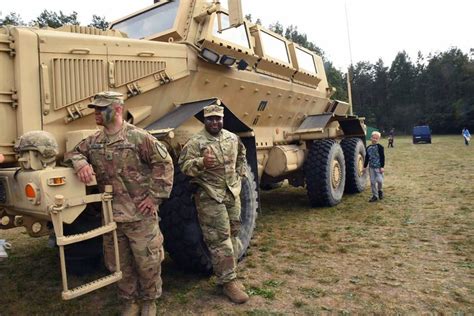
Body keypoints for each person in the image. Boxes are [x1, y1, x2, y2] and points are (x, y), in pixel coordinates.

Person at [64, 91, 174, 316]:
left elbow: (164, 163)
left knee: (148, 261)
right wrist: (80, 163)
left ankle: (149, 300)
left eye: (100, 109)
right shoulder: (95, 141)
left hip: (140, 215)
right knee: (118, 263)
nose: (95, 113)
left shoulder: (138, 137)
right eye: (94, 109)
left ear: (116, 110)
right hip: (112, 216)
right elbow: (72, 153)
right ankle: (129, 301)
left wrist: (154, 197)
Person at [178, 102, 249, 304]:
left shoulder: (232, 138)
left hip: (231, 193)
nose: (215, 122)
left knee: (233, 233)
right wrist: (201, 163)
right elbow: (184, 166)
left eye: (218, 118)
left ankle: (229, 274)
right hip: (210, 195)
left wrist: (240, 175)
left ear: (222, 119)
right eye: (211, 119)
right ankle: (228, 282)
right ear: (205, 120)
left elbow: (242, 155)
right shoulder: (196, 142)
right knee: (219, 239)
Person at [364, 131, 385, 202]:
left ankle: (380, 190)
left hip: (378, 167)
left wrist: (382, 167)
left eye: (376, 138)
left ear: (378, 139)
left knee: (380, 180)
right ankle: (375, 195)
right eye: (374, 138)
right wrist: (364, 166)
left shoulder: (380, 147)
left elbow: (382, 157)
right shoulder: (368, 148)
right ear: (371, 138)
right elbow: (367, 158)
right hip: (371, 168)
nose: (375, 139)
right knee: (372, 182)